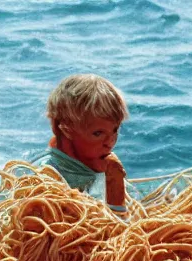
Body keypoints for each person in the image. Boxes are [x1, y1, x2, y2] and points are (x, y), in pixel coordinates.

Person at [32, 74, 130, 215]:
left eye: (115, 130)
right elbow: (114, 232)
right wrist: (115, 191)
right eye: (98, 133)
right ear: (66, 130)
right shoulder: (47, 180)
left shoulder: (96, 166)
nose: (110, 142)